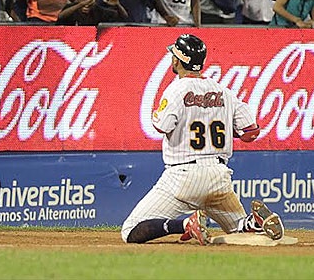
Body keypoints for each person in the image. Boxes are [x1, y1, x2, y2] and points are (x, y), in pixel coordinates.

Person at [121, 33, 285, 245]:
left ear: (177, 60)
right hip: (219, 177)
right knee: (239, 232)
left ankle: (184, 225)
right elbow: (250, 132)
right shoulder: (223, 91)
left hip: (183, 176)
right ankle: (254, 221)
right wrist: (225, 127)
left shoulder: (176, 89)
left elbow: (161, 125)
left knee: (130, 230)